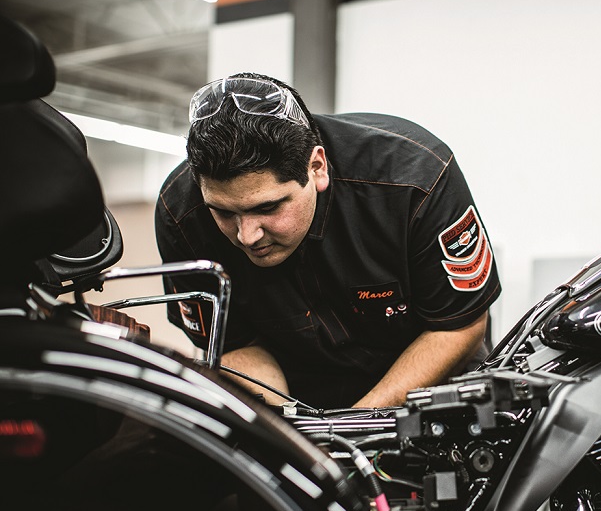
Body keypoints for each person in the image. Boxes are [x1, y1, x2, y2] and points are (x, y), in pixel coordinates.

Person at [155, 72, 500, 409]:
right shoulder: (181, 213)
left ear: (316, 167)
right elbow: (235, 344)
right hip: (297, 396)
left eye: (268, 207)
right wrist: (287, 432)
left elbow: (458, 326)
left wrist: (355, 431)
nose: (247, 236)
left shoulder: (414, 179)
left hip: (430, 384)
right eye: (224, 213)